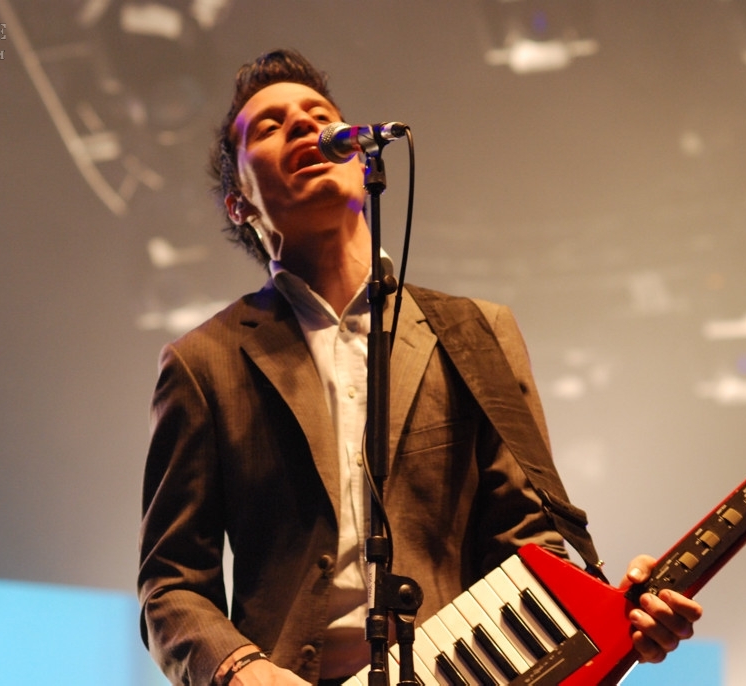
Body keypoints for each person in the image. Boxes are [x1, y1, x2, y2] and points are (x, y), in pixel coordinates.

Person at [137, 49, 702, 686]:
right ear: (239, 203)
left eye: (319, 115)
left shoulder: (475, 332)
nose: (302, 124)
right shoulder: (203, 362)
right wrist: (240, 669)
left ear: (360, 161)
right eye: (269, 126)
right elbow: (171, 584)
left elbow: (525, 543)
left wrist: (614, 622)